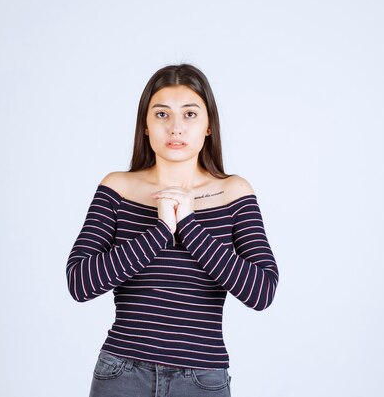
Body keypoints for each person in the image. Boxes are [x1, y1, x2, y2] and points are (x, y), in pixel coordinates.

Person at [66, 64, 279, 397]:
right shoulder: (117, 188)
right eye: (162, 114)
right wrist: (161, 229)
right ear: (146, 126)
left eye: (190, 114)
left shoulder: (234, 193)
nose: (176, 127)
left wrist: (189, 226)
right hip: (122, 373)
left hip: (202, 379)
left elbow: (262, 291)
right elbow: (80, 283)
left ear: (209, 126)